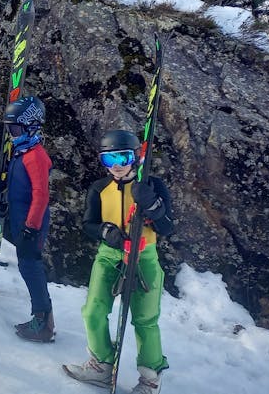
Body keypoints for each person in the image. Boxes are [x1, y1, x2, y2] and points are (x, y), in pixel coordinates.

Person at [63, 129, 173, 394]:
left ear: (135, 157)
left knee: (145, 319)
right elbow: (88, 223)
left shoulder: (152, 186)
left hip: (143, 255)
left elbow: (167, 227)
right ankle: (101, 365)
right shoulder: (100, 188)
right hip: (109, 255)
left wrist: (153, 206)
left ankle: (150, 377)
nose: (117, 167)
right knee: (93, 311)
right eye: (108, 160)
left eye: (122, 158)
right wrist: (104, 231)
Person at [0, 95, 55, 341]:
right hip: (20, 217)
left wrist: (31, 227)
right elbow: (16, 181)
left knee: (30, 267)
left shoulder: (35, 155)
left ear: (31, 125)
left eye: (15, 128)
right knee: (27, 266)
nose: (12, 134)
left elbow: (41, 194)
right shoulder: (21, 152)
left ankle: (43, 322)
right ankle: (42, 319)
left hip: (31, 221)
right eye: (9, 129)